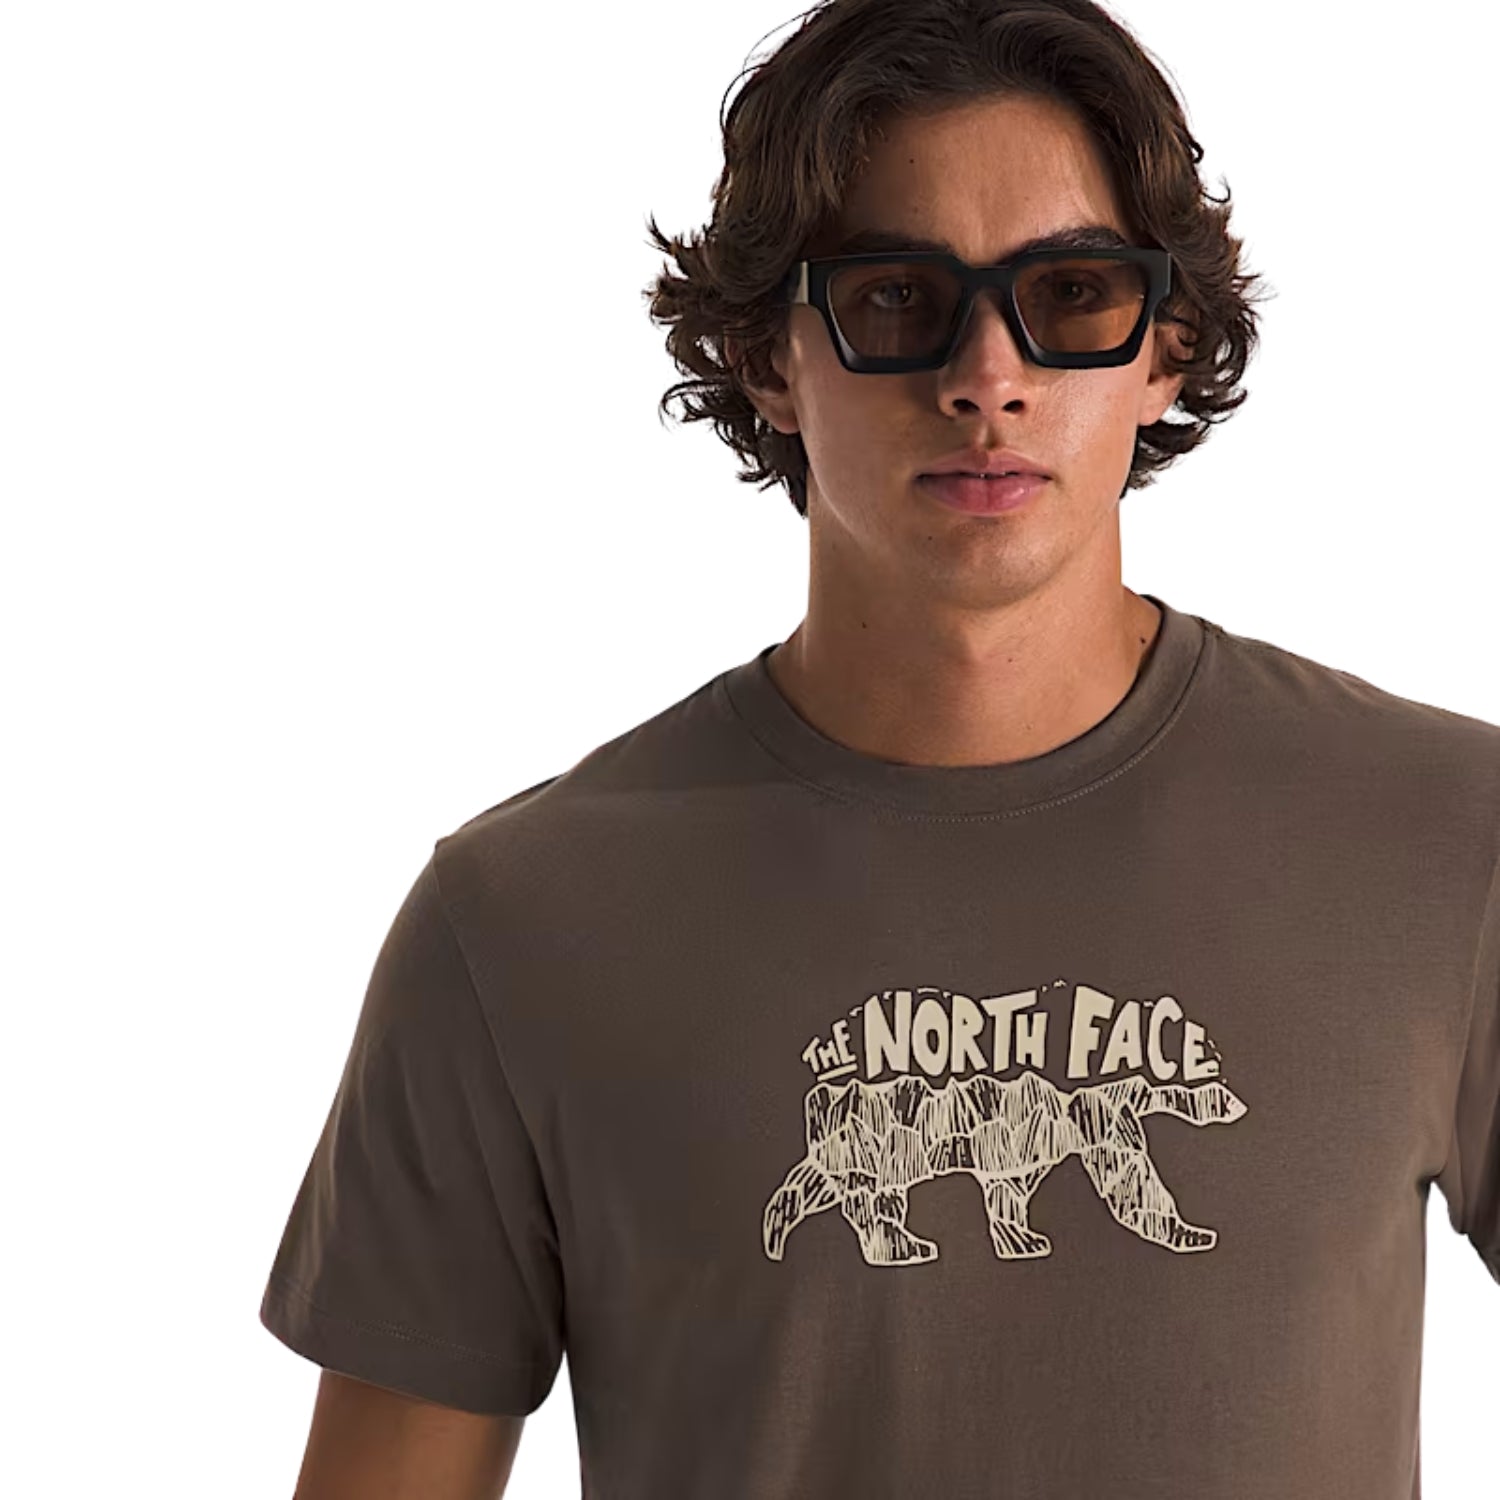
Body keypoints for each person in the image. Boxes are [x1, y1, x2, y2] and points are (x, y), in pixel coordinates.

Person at [259, 1, 1500, 1495]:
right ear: (766, 359)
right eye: (899, 296)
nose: (988, 375)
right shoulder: (519, 924)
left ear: (1166, 351)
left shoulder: (1448, 842)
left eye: (1073, 293)